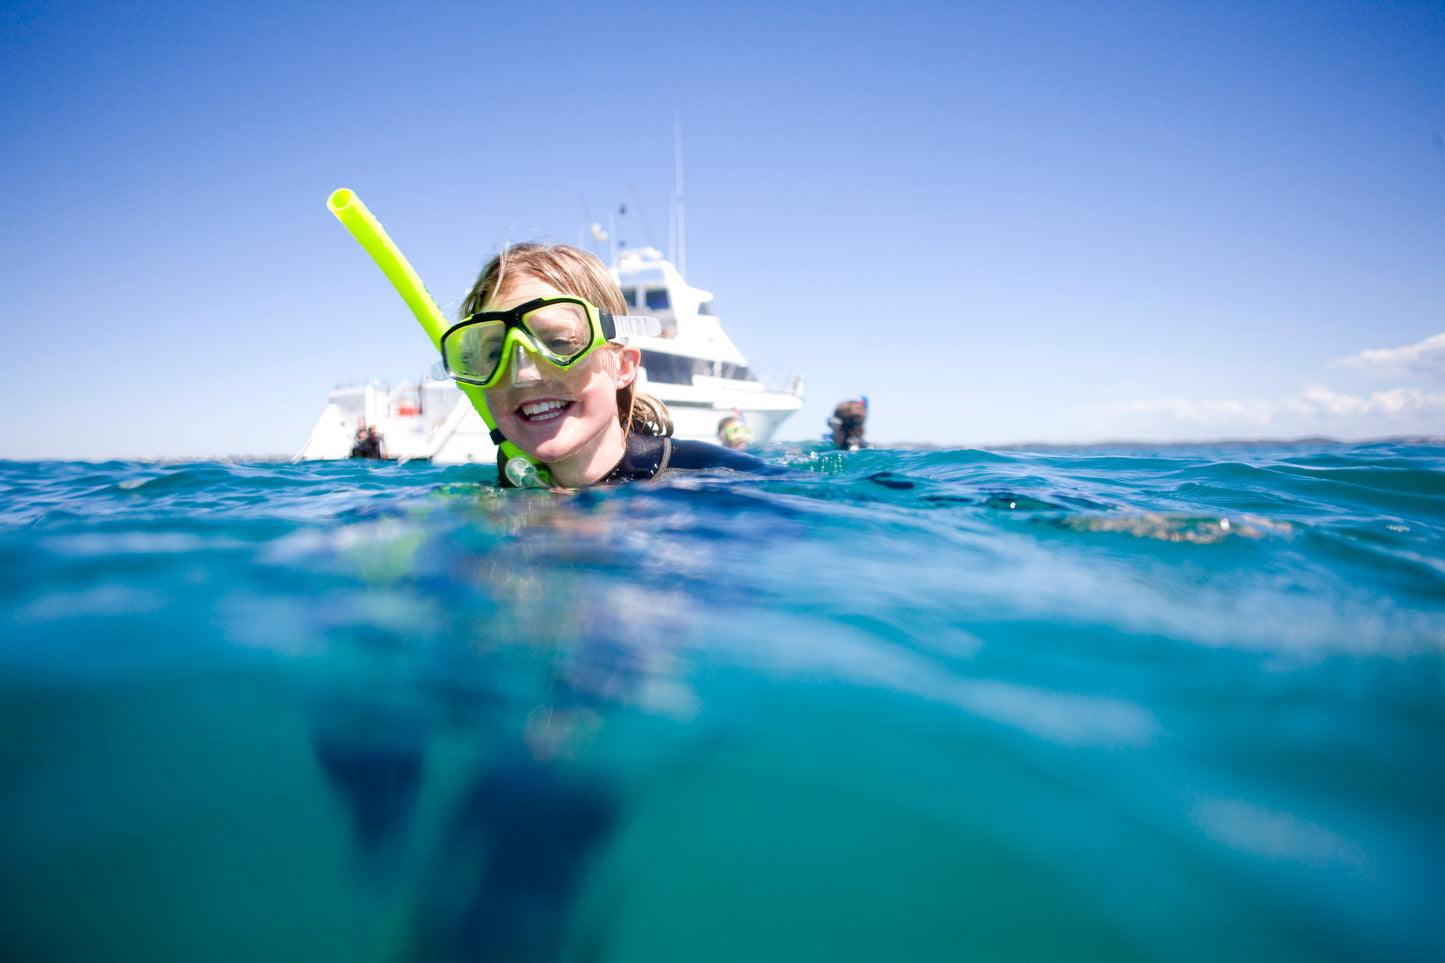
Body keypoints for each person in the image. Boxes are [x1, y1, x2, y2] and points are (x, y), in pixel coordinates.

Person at [444, 242, 769, 488]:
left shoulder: (716, 477)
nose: (524, 373)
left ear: (624, 367)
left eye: (558, 342)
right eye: (492, 354)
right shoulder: (490, 501)